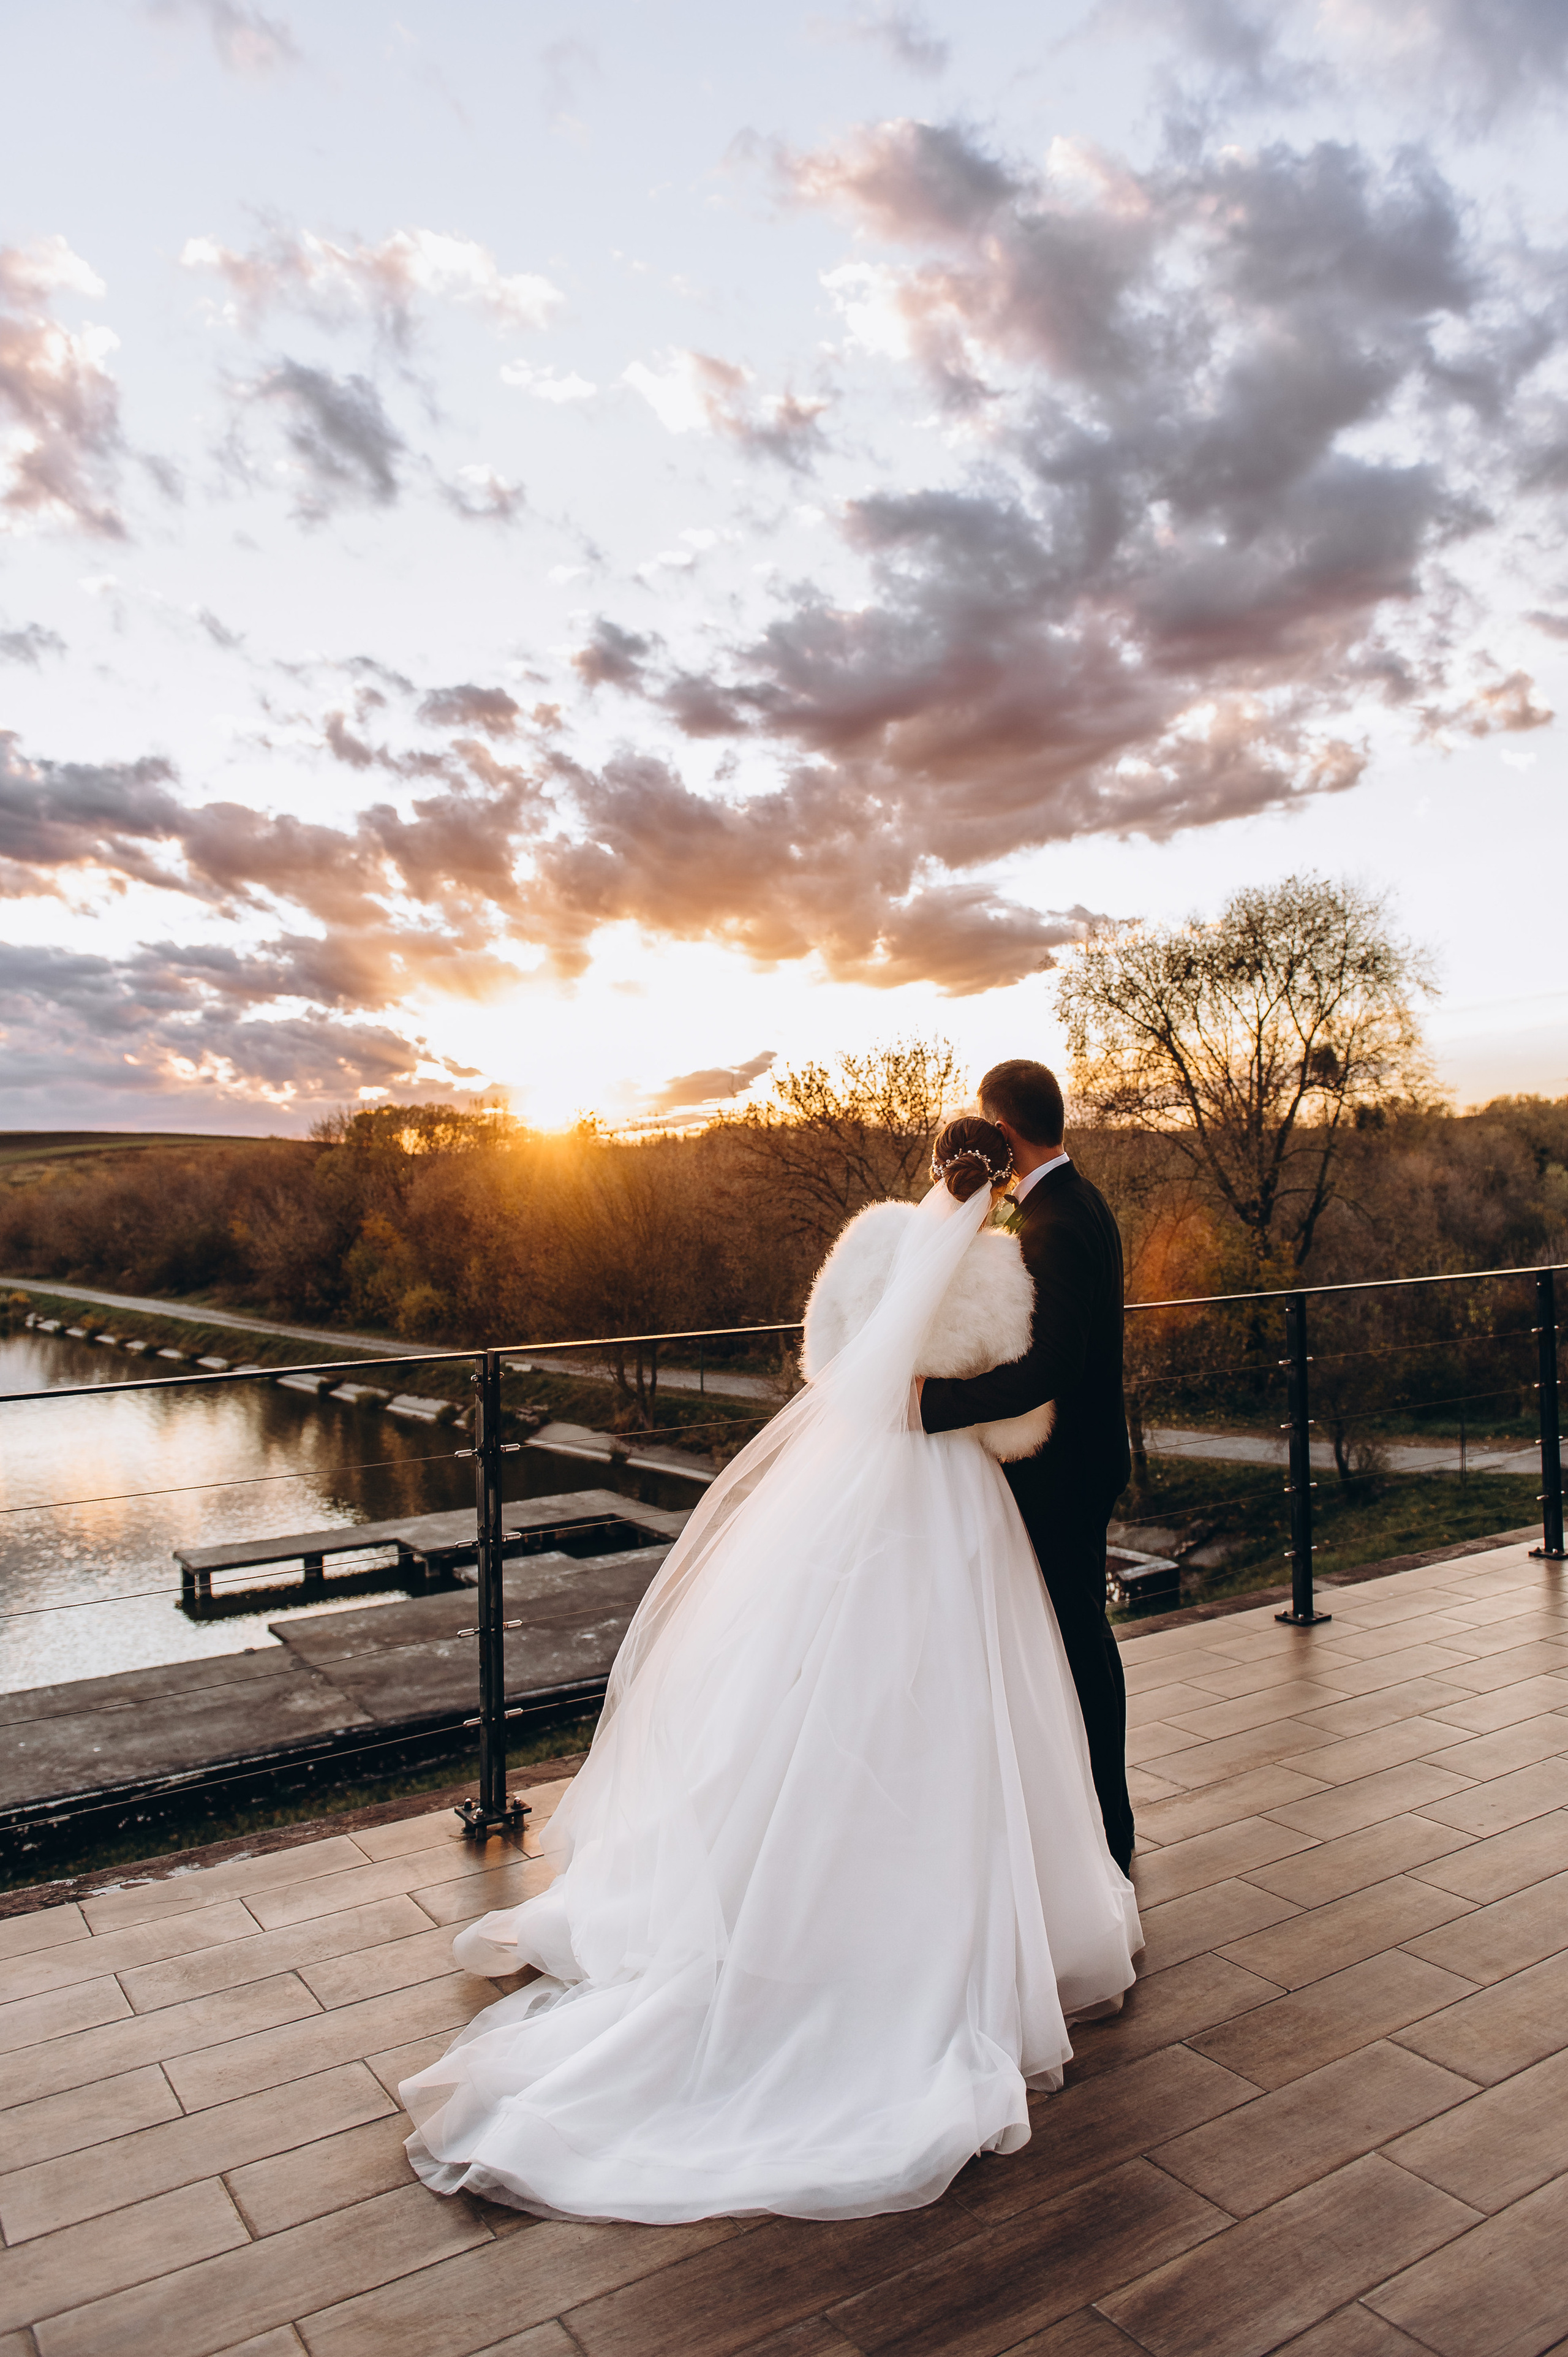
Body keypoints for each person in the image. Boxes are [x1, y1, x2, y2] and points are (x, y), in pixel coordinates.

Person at [400, 1116, 1140, 2225]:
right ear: (997, 1183)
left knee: (832, 1679)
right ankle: (964, 1901)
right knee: (967, 1689)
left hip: (870, 1485)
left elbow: (828, 1363)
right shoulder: (1002, 1267)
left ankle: (799, 1892)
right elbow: (1021, 1404)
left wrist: (898, 1402)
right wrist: (948, 1415)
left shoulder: (874, 1243)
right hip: (959, 1495)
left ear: (935, 1171)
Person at [919, 1062, 1136, 1872]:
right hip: (1088, 1457)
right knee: (1081, 1639)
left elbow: (1053, 1368)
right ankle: (1099, 1822)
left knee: (1076, 1644)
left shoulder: (1054, 1225)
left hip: (1064, 1470)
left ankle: (1106, 1833)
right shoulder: (1081, 1202)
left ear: (1004, 1130)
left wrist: (933, 1405)